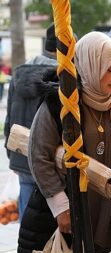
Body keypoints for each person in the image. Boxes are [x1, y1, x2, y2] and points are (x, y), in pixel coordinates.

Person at [17, 31, 111, 253]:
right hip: (68, 210)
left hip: (110, 212)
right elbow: (40, 156)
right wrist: (61, 207)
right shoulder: (60, 103)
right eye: (110, 69)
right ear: (90, 64)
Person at [4, 23, 58, 222]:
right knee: (55, 230)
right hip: (53, 163)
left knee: (28, 225)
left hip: (22, 157)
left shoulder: (19, 73)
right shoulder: (63, 77)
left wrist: (11, 154)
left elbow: (9, 120)